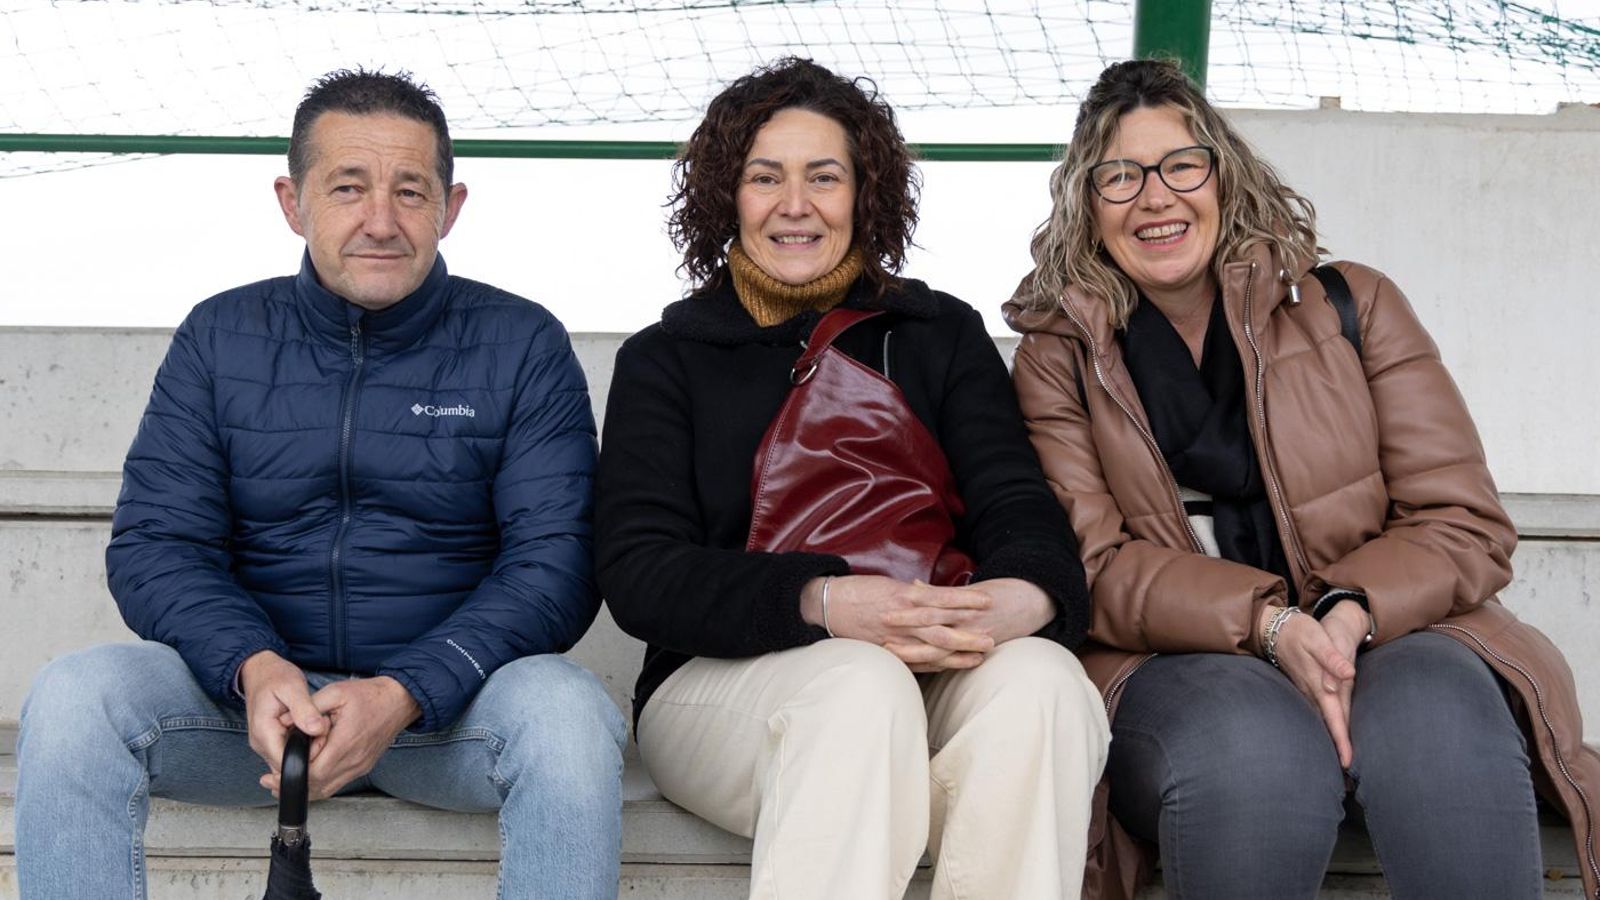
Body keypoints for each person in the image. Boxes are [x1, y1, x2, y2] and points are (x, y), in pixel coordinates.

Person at [15, 68, 625, 899]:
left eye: (410, 191)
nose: (381, 221)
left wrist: (406, 691)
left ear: (450, 208)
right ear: (292, 201)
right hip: (254, 720)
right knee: (73, 698)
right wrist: (252, 666)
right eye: (347, 187)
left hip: (449, 719)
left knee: (569, 714)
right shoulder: (220, 336)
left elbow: (556, 562)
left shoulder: (521, 344)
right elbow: (158, 545)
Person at [1005, 58, 1600, 900]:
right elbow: (1090, 565)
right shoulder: (1056, 358)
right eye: (1120, 176)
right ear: (1087, 203)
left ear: (1223, 175)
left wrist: (1346, 612)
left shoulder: (1354, 304)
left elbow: (1461, 520)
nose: (1155, 197)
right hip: (1176, 664)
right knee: (1252, 755)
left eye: (1181, 165)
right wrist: (1269, 625)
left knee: (1439, 722)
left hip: (1386, 635)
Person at [596, 57, 1110, 900]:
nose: (795, 204)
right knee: (858, 686)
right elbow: (640, 572)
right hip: (725, 685)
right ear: (728, 194)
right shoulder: (665, 359)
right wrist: (827, 602)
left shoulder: (940, 333)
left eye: (824, 177)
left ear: (865, 194)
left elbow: (1017, 502)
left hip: (932, 660)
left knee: (1046, 684)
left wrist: (1019, 600)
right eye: (766, 177)